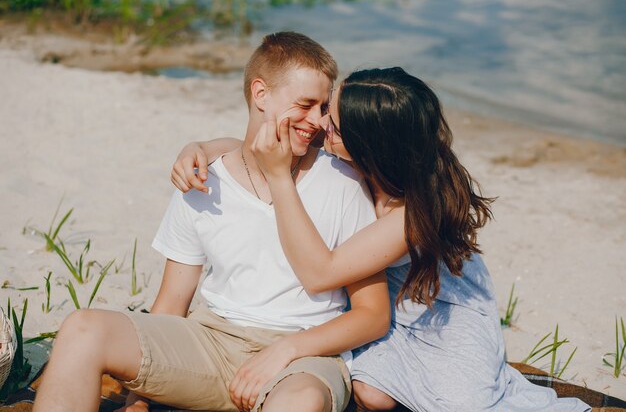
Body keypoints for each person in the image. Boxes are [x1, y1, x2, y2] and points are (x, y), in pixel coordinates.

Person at [172, 67, 591, 411]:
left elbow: (321, 274)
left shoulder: (412, 213)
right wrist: (202, 146)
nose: (319, 124)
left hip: (442, 309)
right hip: (388, 302)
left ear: (369, 145)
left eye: (332, 123)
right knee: (371, 391)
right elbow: (253, 148)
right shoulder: (362, 160)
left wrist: (285, 349)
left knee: (462, 404)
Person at [32, 32, 391, 412]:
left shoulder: (342, 182)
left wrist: (285, 351)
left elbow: (371, 314)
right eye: (305, 105)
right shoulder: (203, 179)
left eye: (323, 107)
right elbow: (173, 300)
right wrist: (142, 397)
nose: (318, 121)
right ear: (261, 94)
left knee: (299, 402)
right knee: (81, 329)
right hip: (211, 341)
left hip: (304, 359)